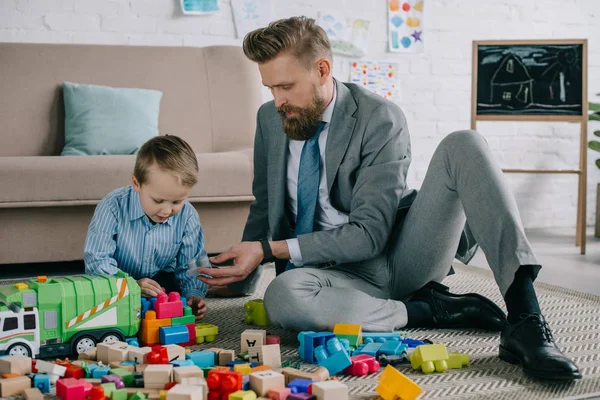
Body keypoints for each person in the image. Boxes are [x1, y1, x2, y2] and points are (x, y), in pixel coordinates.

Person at [197, 16, 581, 380]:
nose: (278, 100)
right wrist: (240, 276)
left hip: (398, 257)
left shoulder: (380, 117)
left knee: (464, 144)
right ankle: (425, 310)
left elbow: (368, 236)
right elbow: (266, 205)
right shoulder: (270, 119)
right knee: (282, 297)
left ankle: (526, 319)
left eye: (286, 87)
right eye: (270, 88)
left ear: (322, 70)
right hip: (331, 277)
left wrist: (268, 249)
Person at [85, 135, 208, 319]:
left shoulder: (188, 215)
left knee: (172, 301)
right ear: (137, 184)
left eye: (177, 201)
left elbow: (194, 263)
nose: (167, 210)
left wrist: (194, 295)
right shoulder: (112, 206)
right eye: (158, 200)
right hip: (118, 281)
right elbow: (97, 261)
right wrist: (132, 286)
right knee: (98, 302)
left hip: (161, 281)